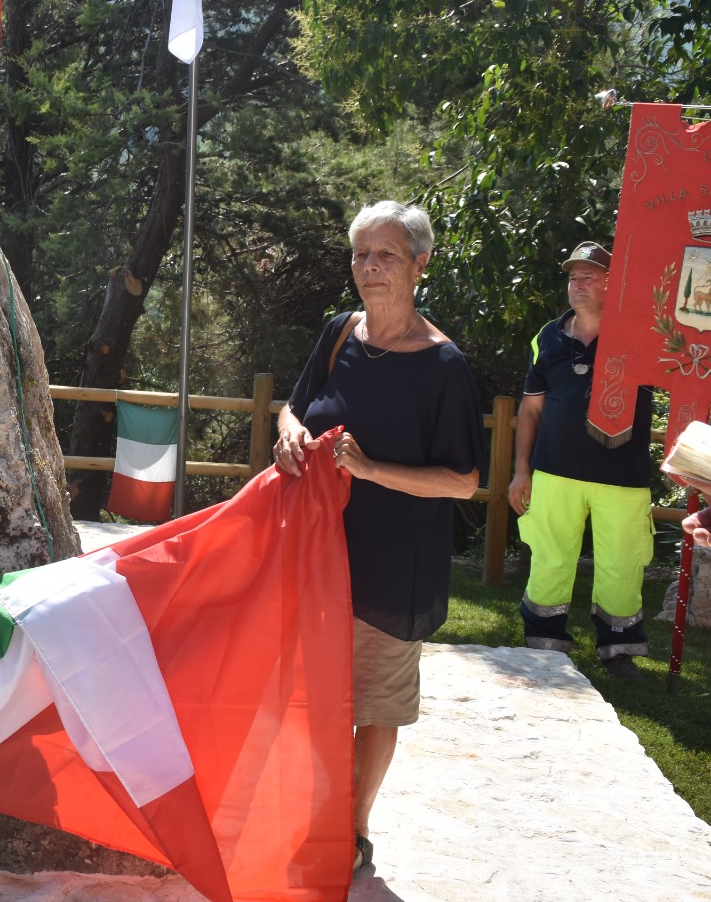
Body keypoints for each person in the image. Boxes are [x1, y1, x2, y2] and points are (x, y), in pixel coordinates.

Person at [274, 200, 485, 877]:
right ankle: (314, 811)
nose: (369, 268)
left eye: (385, 255)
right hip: (320, 557)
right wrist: (288, 433)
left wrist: (370, 471)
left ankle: (353, 828)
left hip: (397, 567)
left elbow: (462, 482)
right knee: (317, 698)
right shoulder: (340, 333)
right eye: (361, 254)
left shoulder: (443, 365)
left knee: (375, 707)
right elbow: (295, 404)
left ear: (419, 265)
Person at [510, 242, 654, 680]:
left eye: (589, 276)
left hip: (623, 476)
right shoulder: (548, 337)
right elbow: (531, 409)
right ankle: (543, 645)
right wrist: (522, 470)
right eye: (573, 276)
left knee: (622, 563)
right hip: (554, 472)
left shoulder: (643, 335)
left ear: (614, 282)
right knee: (550, 558)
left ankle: (619, 651)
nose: (577, 284)